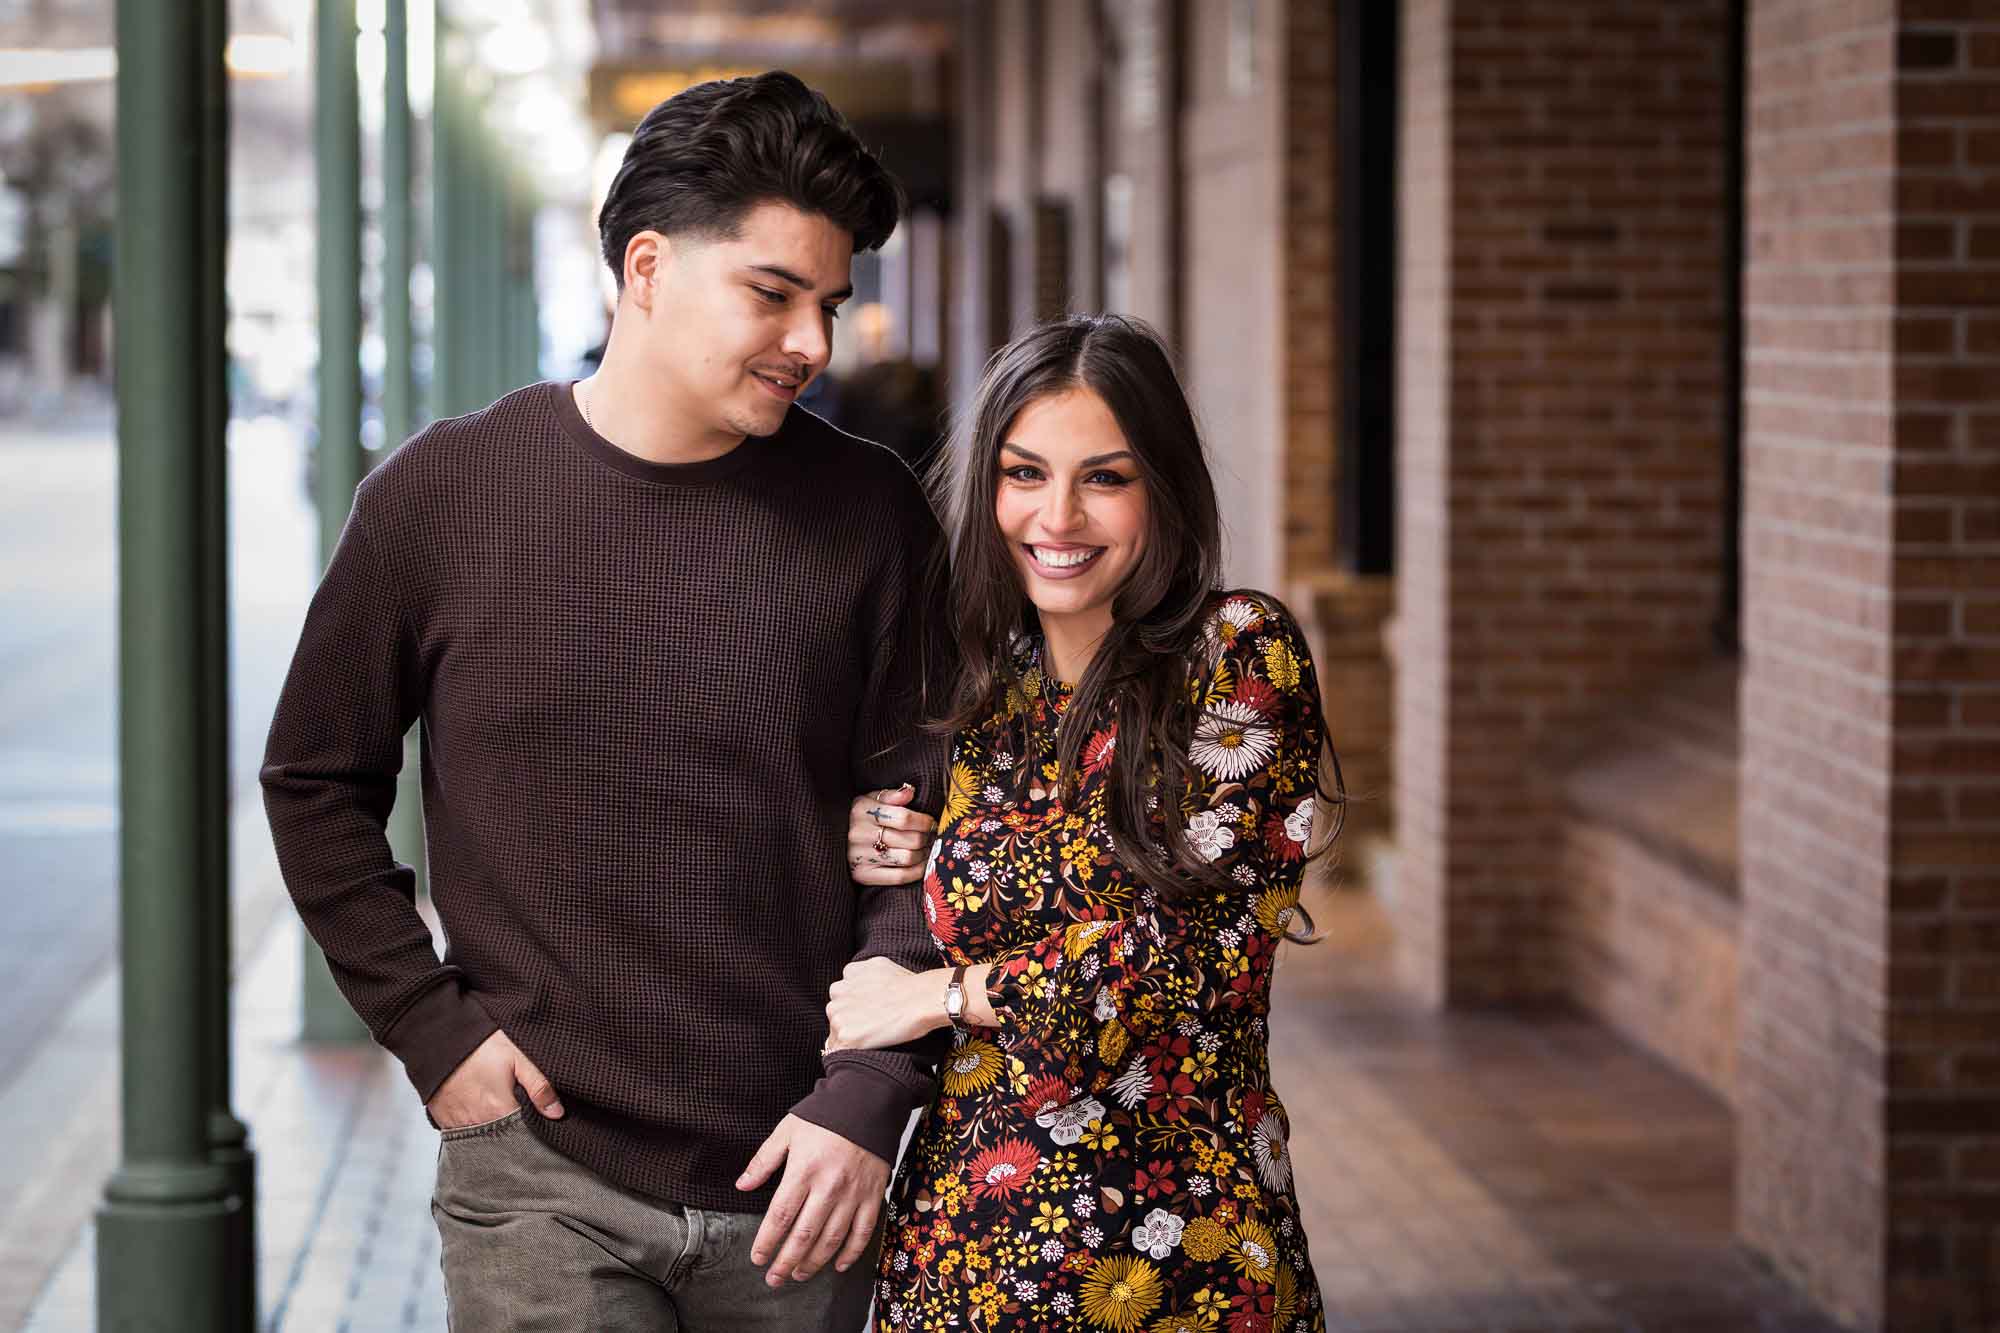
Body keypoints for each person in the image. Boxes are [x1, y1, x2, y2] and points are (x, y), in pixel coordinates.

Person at [261, 72, 946, 1331]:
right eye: (772, 293)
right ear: (644, 269)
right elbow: (314, 778)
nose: (811, 340)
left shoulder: (871, 514)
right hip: (540, 1174)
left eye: (829, 305)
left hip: (799, 1171)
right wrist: (430, 1028)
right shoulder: (441, 496)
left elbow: (925, 821)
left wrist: (867, 1093)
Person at [828, 314, 1336, 1332]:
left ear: (1162, 488)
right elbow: (1019, 887)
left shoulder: (1233, 656)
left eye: (1103, 477)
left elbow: (1184, 963)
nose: (1055, 515)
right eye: (1024, 474)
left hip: (1180, 1252)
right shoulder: (978, 691)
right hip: (966, 1252)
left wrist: (939, 995)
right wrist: (888, 842)